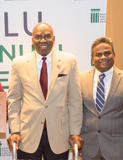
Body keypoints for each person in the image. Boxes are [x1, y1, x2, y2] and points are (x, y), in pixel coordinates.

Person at [7, 22, 83, 160]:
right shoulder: (19, 63)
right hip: (27, 135)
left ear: (53, 39)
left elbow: (75, 100)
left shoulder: (69, 61)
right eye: (38, 37)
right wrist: (15, 130)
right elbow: (13, 100)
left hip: (59, 136)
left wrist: (75, 132)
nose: (43, 40)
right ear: (32, 40)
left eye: (47, 36)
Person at [80, 37, 123, 160]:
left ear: (114, 55)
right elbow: (77, 113)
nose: (103, 57)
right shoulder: (80, 79)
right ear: (92, 59)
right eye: (98, 54)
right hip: (88, 149)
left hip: (117, 150)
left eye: (107, 53)